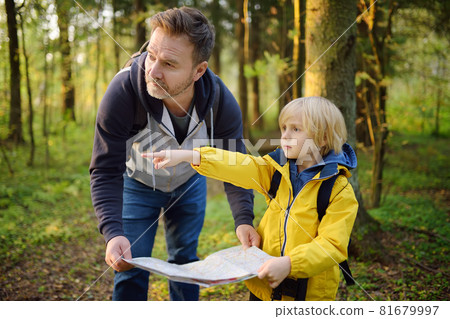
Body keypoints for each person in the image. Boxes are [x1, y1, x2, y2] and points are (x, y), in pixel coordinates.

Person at [89, 7, 256, 301]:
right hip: (137, 184)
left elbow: (236, 165)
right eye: (151, 55)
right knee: (130, 266)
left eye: (168, 63)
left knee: (185, 261)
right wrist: (113, 232)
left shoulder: (221, 102)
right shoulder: (123, 91)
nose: (152, 70)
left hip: (190, 185)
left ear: (198, 71)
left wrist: (243, 219)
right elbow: (105, 169)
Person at [146, 96, 359, 301]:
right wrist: (189, 155)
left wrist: (290, 264)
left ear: (322, 138)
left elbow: (332, 244)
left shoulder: (338, 191)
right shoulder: (276, 169)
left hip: (308, 296)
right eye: (284, 128)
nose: (285, 135)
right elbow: (239, 165)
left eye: (296, 129)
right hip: (263, 288)